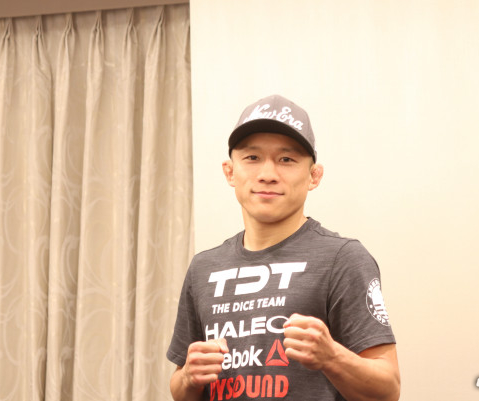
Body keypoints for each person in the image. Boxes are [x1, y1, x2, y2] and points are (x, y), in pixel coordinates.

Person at [167, 94, 400, 401]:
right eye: (252, 157)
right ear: (230, 171)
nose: (267, 174)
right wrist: (188, 377)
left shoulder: (343, 259)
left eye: (286, 160)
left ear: (314, 176)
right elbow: (180, 387)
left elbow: (388, 389)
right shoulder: (203, 268)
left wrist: (331, 356)